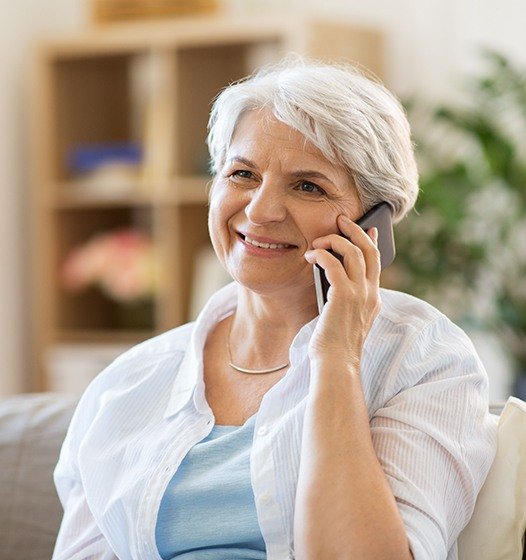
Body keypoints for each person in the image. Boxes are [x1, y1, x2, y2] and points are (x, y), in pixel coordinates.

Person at [52, 57, 497, 560]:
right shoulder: (128, 383)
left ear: (374, 223)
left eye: (308, 185)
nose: (261, 211)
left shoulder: (422, 360)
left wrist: (337, 360)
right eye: (243, 173)